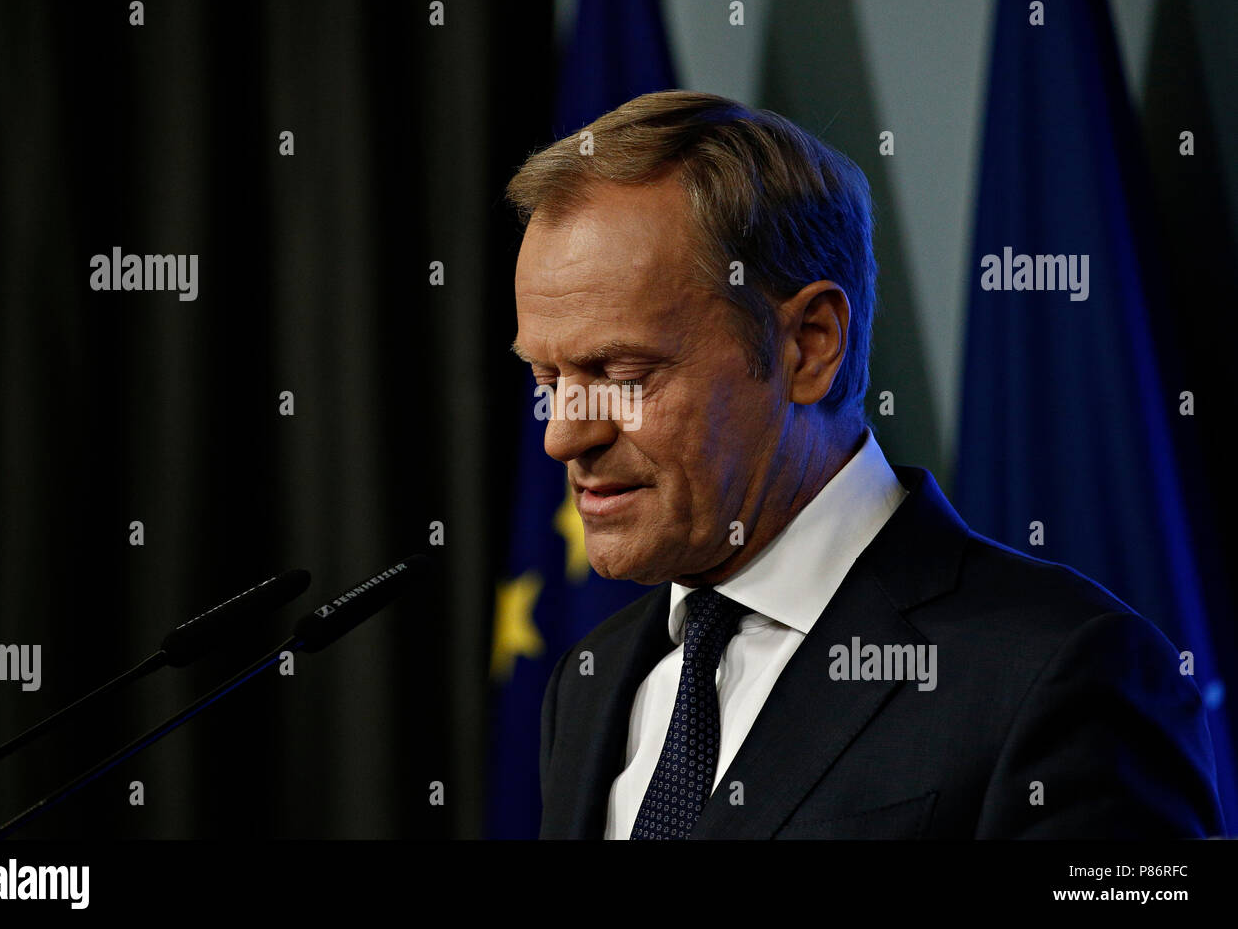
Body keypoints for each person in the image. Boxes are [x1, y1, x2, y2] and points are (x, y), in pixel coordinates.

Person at [506, 90, 1224, 839]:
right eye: (548, 381)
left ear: (810, 345)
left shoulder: (1059, 676)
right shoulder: (590, 683)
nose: (562, 436)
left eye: (620, 375)